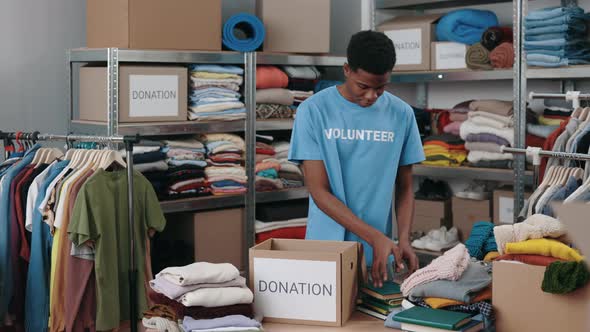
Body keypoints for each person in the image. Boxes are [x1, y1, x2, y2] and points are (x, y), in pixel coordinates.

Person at [288, 30, 425, 288]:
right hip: (326, 248)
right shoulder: (313, 111)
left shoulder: (402, 114)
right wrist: (375, 237)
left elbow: (405, 187)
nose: (372, 95)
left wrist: (404, 239)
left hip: (379, 250)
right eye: (364, 86)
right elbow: (319, 191)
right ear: (347, 70)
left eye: (381, 87)